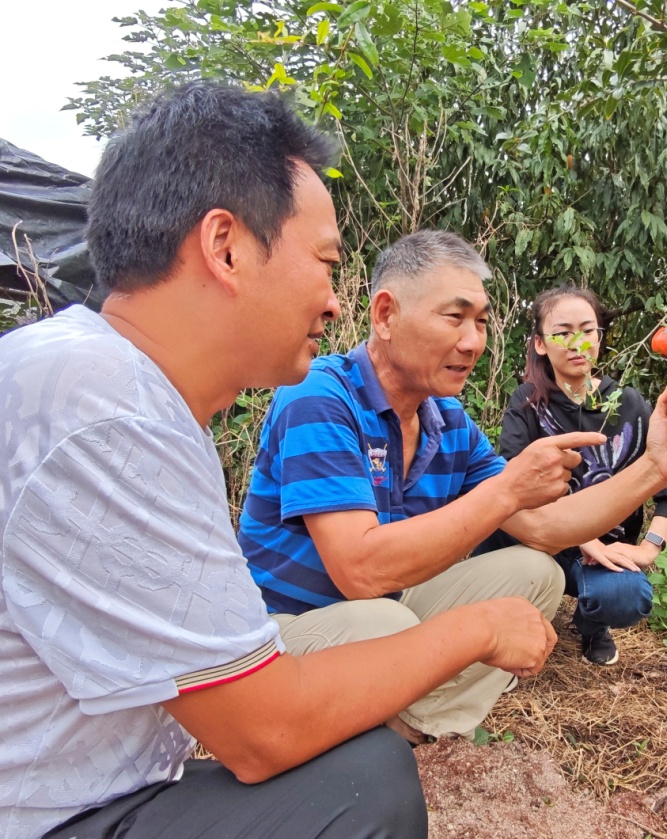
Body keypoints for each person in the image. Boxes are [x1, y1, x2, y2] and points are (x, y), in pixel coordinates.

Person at [0, 84, 553, 839]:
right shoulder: (110, 414)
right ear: (225, 246)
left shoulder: (119, 388)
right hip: (46, 811)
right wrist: (478, 628)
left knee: (364, 763)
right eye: (326, 263)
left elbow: (544, 527)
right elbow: (264, 729)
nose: (334, 302)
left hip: (91, 778)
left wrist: (654, 464)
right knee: (366, 787)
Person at [237, 230, 667, 744]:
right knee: (385, 623)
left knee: (534, 572)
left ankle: (407, 728)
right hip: (287, 632)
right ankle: (357, 725)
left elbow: (543, 528)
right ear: (385, 315)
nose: (472, 342)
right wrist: (507, 490)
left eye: (482, 322)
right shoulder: (319, 395)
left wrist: (656, 468)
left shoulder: (446, 419)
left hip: (385, 614)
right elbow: (360, 570)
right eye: (454, 317)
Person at [489, 286, 667, 665]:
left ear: (600, 339)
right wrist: (582, 536)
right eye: (563, 332)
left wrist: (649, 547)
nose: (577, 342)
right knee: (490, 529)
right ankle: (518, 616)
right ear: (539, 344)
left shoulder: (630, 405)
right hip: (543, 543)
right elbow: (510, 480)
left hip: (604, 556)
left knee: (625, 596)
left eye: (588, 330)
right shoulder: (527, 403)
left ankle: (591, 622)